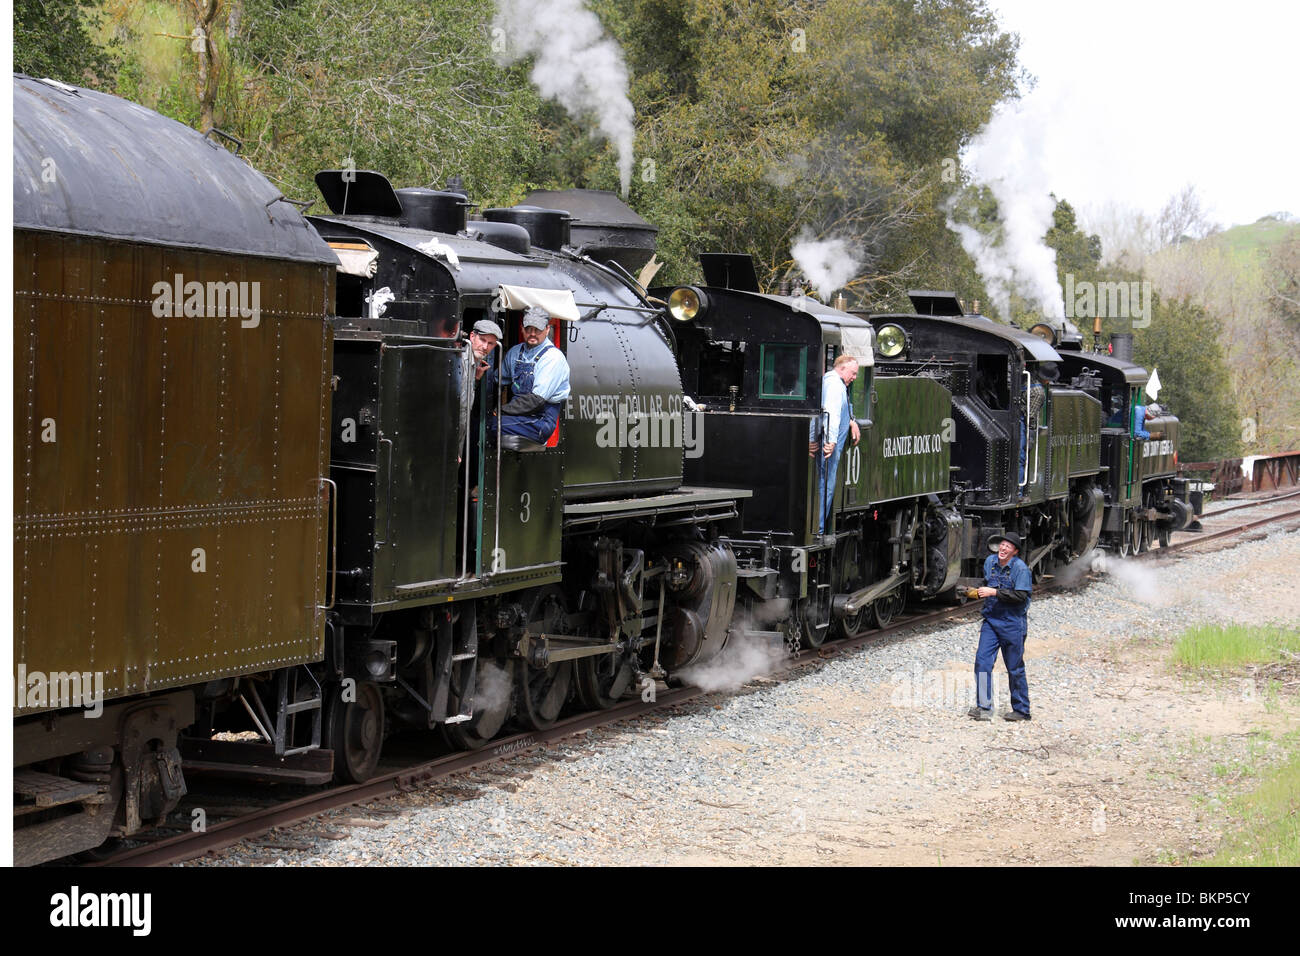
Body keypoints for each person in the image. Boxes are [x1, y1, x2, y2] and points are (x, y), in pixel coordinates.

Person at [967, 531, 1033, 721]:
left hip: (1012, 623)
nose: (1003, 549)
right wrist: (974, 591)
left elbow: (1021, 596)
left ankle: (1021, 710)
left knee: (1014, 667)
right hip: (991, 621)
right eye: (1002, 545)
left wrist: (994, 593)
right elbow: (986, 584)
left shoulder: (1021, 570)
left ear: (1015, 552)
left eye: (1008, 547)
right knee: (982, 662)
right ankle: (984, 707)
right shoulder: (990, 562)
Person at [498, 306, 571, 443]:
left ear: (547, 329)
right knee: (481, 422)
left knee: (493, 425)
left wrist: (502, 411)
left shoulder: (553, 357)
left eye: (537, 329)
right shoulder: (515, 352)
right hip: (516, 416)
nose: (532, 333)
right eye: (528, 329)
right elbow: (498, 380)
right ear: (522, 328)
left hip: (540, 420)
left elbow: (536, 400)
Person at [808, 354, 861, 535]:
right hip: (828, 445)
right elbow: (830, 413)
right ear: (842, 367)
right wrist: (830, 441)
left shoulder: (832, 382)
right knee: (825, 485)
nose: (854, 378)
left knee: (824, 484)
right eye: (853, 373)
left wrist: (852, 421)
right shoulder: (835, 385)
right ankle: (819, 529)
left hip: (823, 441)